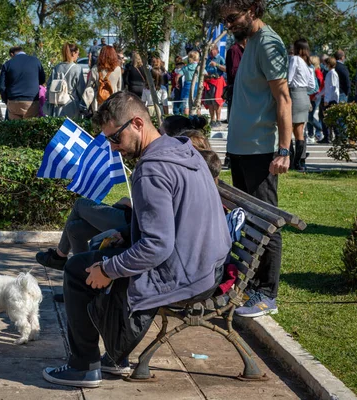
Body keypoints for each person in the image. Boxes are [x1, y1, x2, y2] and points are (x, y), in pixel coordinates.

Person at [42, 91, 231, 388]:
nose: (113, 147)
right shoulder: (182, 149)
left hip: (189, 274)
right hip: (209, 263)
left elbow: (157, 246)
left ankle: (83, 367)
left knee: (78, 270)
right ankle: (115, 357)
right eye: (108, 140)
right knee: (103, 250)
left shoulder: (151, 170)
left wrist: (108, 270)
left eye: (115, 138)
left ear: (138, 124)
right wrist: (128, 234)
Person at [221, 0, 291, 317]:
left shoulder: (269, 42)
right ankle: (251, 287)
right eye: (225, 20)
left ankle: (267, 294)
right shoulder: (250, 44)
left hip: (260, 149)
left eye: (232, 18)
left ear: (252, 10)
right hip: (241, 149)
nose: (228, 25)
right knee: (247, 222)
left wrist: (284, 150)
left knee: (266, 222)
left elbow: (283, 97)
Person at [288, 38, 316, 171]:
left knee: (288, 129)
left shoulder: (295, 59)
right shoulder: (307, 63)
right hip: (304, 95)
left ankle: (290, 160)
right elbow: (312, 85)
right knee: (299, 132)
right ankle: (298, 162)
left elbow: (289, 78)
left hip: (294, 94)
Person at [0, 46, 45, 120]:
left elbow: (2, 86)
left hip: (14, 100)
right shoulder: (36, 61)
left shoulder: (8, 64)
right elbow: (42, 80)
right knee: (30, 127)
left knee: (14, 128)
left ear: (12, 54)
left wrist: (6, 100)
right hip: (32, 100)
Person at [47, 42, 86, 119]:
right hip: (71, 104)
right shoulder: (77, 68)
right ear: (73, 53)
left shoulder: (57, 67)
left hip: (57, 104)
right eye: (77, 53)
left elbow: (49, 86)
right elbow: (81, 89)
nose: (78, 56)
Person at [86, 45, 122, 112]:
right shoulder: (117, 69)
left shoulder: (95, 69)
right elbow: (119, 87)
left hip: (98, 102)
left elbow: (89, 87)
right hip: (112, 101)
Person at [225, 33, 246, 124]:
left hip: (242, 88)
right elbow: (234, 71)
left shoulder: (242, 50)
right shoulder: (234, 50)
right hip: (236, 88)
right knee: (237, 121)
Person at [204, 44, 227, 127]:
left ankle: (218, 119)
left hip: (217, 81)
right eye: (209, 50)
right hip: (208, 81)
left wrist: (216, 65)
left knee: (216, 101)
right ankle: (212, 119)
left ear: (216, 50)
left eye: (212, 50)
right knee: (209, 102)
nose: (210, 52)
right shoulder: (208, 59)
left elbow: (226, 69)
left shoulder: (220, 58)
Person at [319, 57, 339, 142]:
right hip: (329, 98)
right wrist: (318, 95)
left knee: (330, 119)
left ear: (329, 64)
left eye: (326, 64)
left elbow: (332, 87)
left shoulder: (332, 73)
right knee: (326, 118)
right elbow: (327, 87)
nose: (325, 65)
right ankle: (328, 136)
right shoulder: (329, 73)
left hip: (331, 100)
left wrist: (326, 99)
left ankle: (336, 136)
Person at [306, 55, 324, 142]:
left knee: (310, 117)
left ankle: (321, 129)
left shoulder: (317, 72)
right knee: (309, 116)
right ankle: (311, 134)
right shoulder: (315, 71)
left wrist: (316, 95)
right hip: (312, 96)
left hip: (314, 96)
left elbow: (319, 85)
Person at [179, 50, 201, 115]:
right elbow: (205, 74)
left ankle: (187, 121)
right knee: (197, 106)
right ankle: (199, 121)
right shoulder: (199, 67)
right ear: (197, 58)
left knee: (186, 106)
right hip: (197, 87)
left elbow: (178, 76)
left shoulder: (186, 67)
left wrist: (177, 83)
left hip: (187, 87)